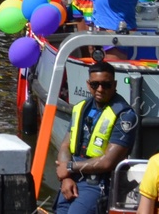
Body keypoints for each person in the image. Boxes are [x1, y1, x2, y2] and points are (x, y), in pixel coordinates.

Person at [55, 59, 135, 214]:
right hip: (72, 178)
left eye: (106, 85)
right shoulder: (81, 108)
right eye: (95, 84)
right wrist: (66, 177)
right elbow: (65, 145)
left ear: (115, 85)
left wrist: (69, 167)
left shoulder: (125, 116)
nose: (100, 89)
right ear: (88, 84)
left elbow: (107, 162)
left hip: (97, 182)